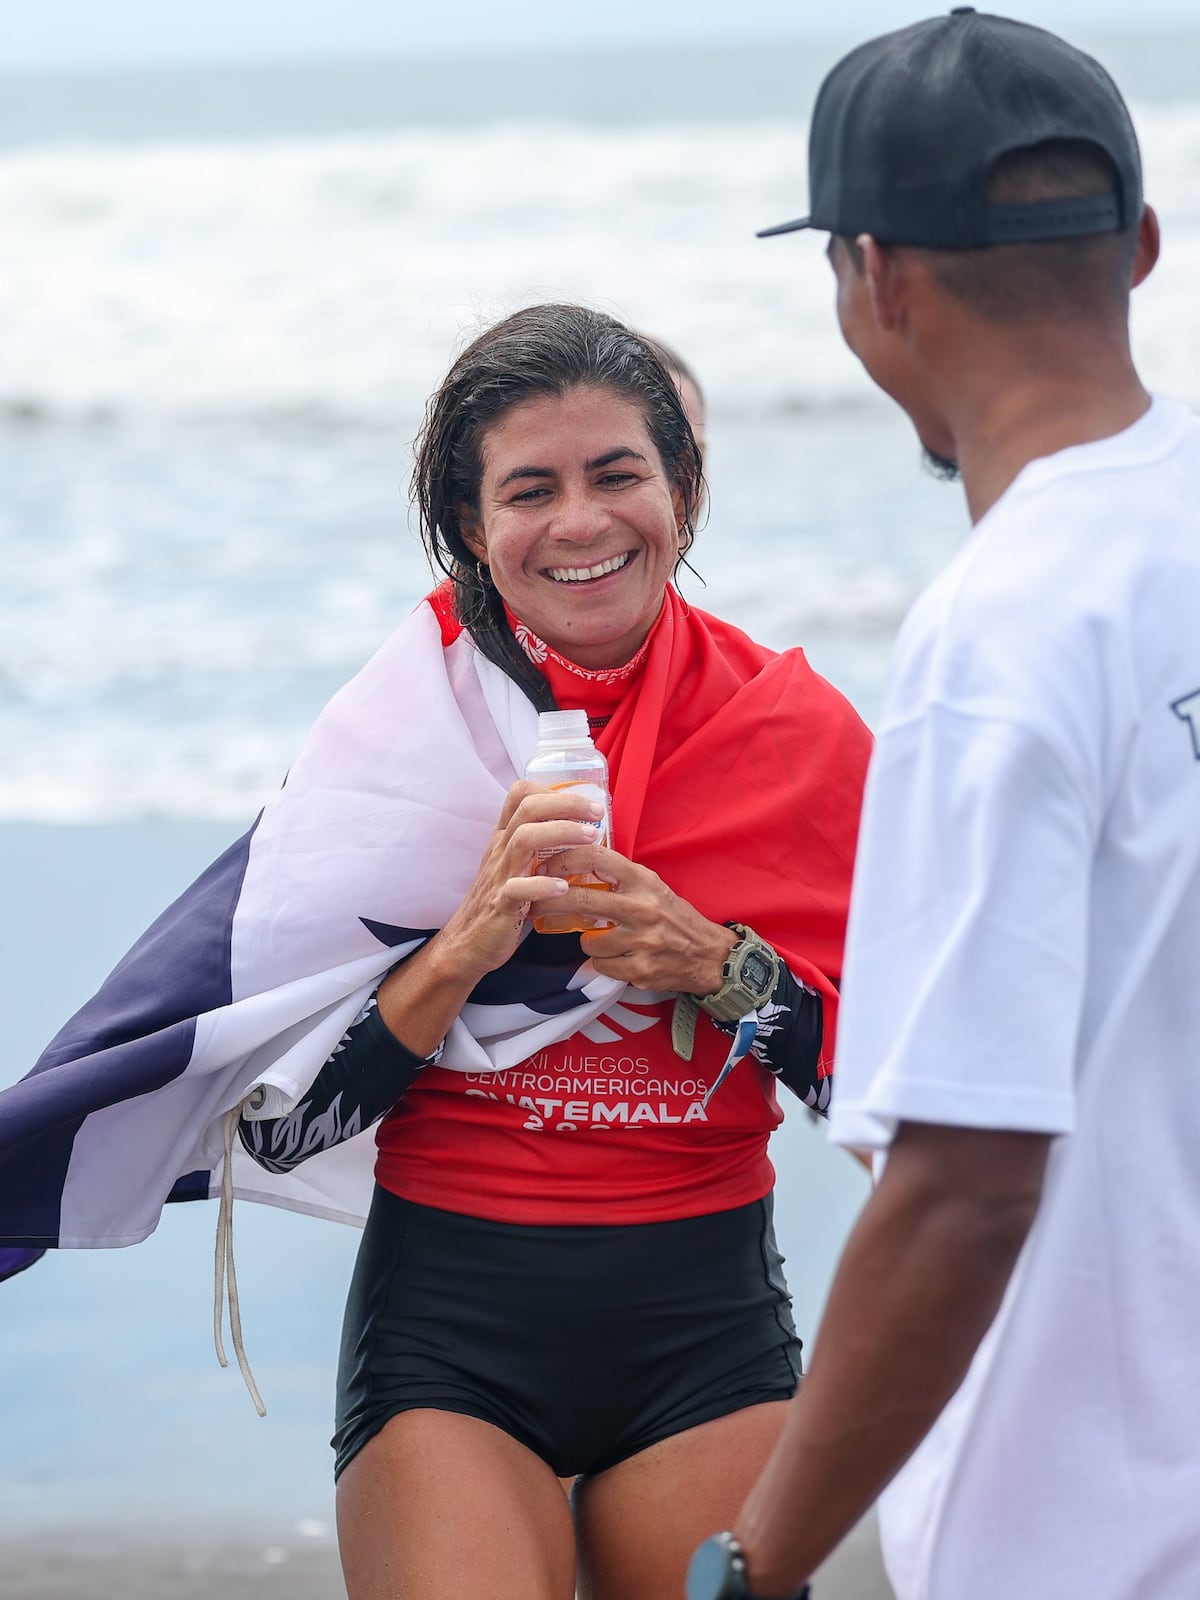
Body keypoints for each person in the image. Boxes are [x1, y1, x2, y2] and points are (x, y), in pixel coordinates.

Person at [0, 305, 873, 1600]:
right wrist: (465, 945)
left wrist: (716, 962)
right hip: (454, 1343)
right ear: (477, 528)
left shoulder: (796, 736)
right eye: (532, 488)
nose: (581, 521)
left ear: (682, 493)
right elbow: (282, 1135)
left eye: (618, 474)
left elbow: (883, 1096)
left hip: (704, 1331)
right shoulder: (396, 750)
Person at [685, 10, 1200, 1600]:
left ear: (875, 280)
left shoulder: (1005, 631)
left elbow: (966, 1185)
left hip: (1088, 1541)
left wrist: (752, 1569)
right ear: (1142, 245)